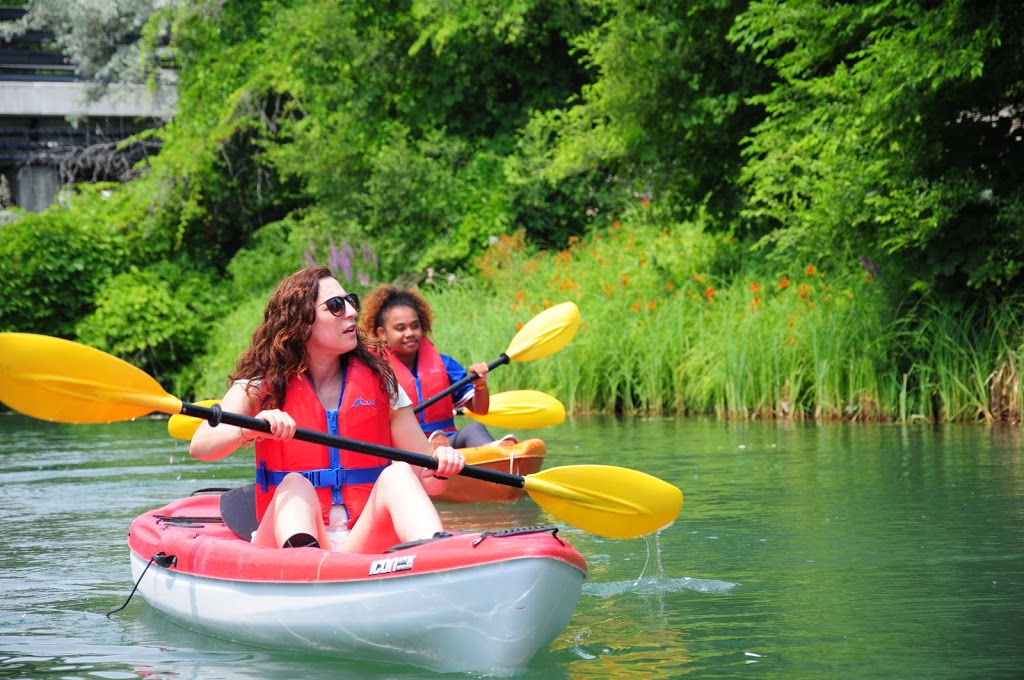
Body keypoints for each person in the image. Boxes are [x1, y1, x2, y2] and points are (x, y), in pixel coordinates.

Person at [188, 265, 465, 553]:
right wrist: (247, 429)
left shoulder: (381, 381)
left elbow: (429, 482)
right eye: (335, 306)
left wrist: (441, 466)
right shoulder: (262, 384)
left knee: (399, 475)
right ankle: (304, 566)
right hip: (293, 542)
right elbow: (201, 446)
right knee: (295, 483)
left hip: (361, 541)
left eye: (350, 301)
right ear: (301, 322)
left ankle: (439, 557)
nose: (351, 312)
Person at [360, 284, 518, 449]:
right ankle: (437, 449)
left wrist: (480, 386)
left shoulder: (445, 365)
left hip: (446, 441)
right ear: (382, 334)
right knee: (433, 442)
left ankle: (498, 453)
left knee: (474, 429)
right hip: (404, 449)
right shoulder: (373, 372)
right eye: (400, 328)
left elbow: (480, 409)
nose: (410, 333)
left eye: (415, 326)